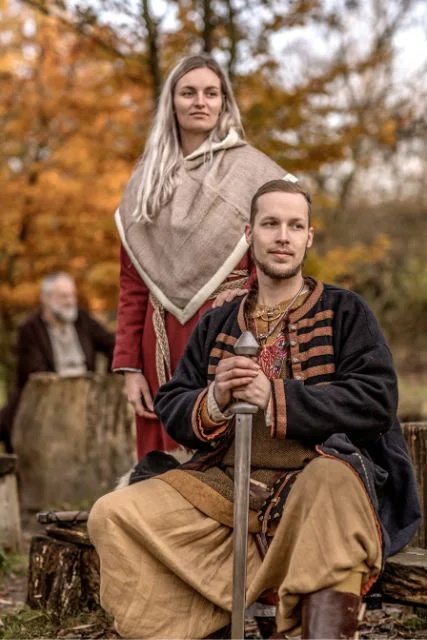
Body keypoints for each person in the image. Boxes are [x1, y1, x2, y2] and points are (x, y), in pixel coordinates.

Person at [88, 180, 420, 639]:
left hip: (317, 479)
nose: (282, 236)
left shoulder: (347, 311)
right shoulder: (219, 322)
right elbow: (174, 403)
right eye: (270, 224)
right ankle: (198, 630)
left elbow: (376, 400)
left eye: (294, 225)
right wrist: (216, 400)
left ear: (309, 237)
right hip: (225, 484)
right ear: (250, 234)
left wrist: (277, 397)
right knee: (113, 513)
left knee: (331, 488)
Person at [113, 53, 296, 459]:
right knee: (161, 466)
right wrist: (129, 368)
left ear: (224, 102)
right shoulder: (146, 179)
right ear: (172, 102)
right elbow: (132, 284)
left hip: (233, 329)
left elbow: (279, 263)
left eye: (211, 93)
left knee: (231, 456)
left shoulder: (253, 172)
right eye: (188, 92)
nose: (201, 101)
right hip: (158, 337)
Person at [0, 272, 115, 452]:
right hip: (46, 399)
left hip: (86, 395)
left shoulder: (82, 320)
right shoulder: (30, 329)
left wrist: (109, 377)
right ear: (45, 299)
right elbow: (33, 371)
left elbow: (112, 344)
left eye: (72, 295)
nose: (70, 301)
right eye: (63, 296)